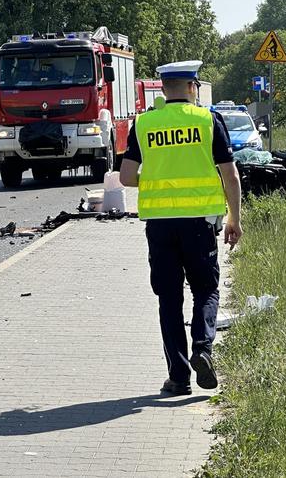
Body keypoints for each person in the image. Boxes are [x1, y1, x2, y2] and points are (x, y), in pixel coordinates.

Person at [120, 60, 243, 396]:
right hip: (200, 224)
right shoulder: (207, 120)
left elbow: (127, 177)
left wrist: (158, 180)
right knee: (206, 289)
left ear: (162, 87)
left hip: (159, 226)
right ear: (193, 87)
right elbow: (230, 175)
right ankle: (202, 349)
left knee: (169, 298)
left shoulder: (144, 124)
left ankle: (178, 378)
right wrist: (234, 218)